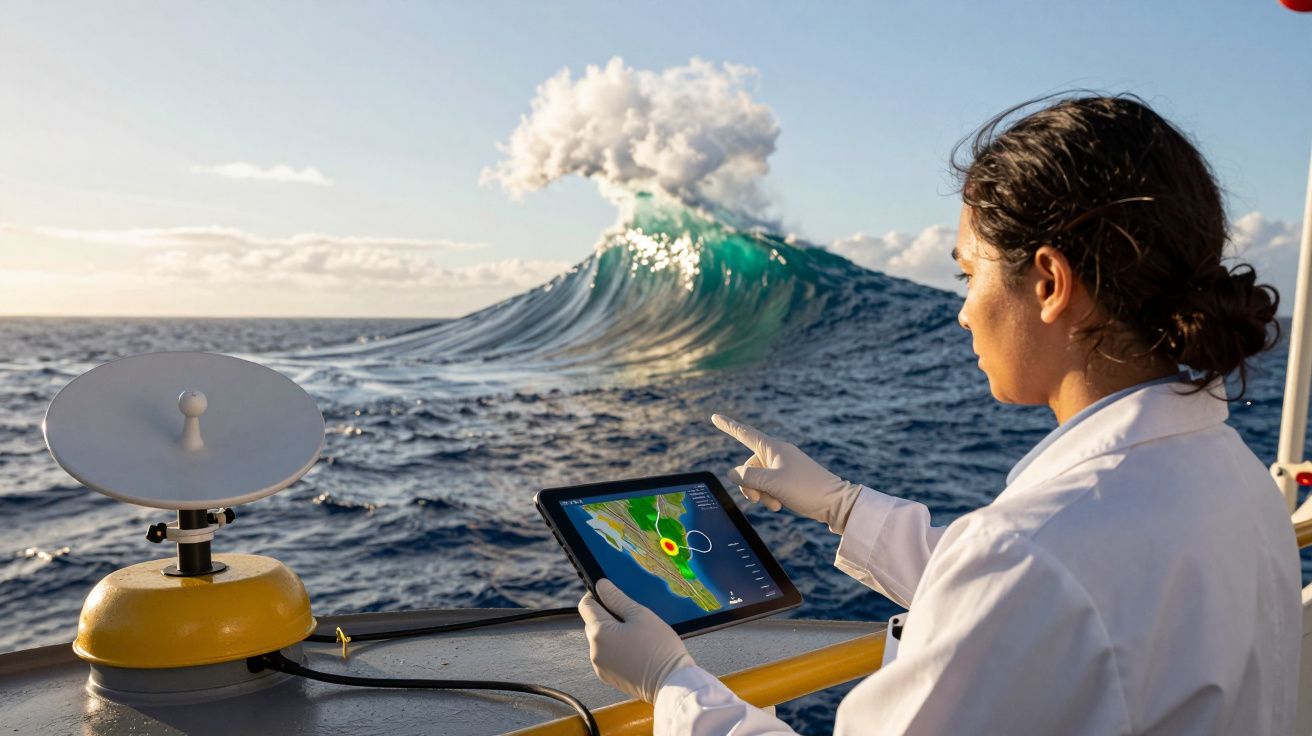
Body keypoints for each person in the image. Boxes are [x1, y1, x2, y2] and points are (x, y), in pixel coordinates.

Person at [576, 94, 1303, 735]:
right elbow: (1049, 599)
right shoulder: (1235, 480)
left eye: (967, 273)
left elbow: (1029, 579)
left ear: (1049, 281)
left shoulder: (1030, 555)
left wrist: (672, 685)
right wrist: (841, 506)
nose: (959, 313)